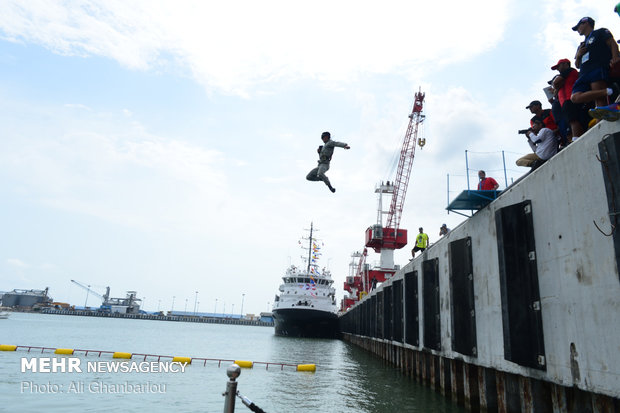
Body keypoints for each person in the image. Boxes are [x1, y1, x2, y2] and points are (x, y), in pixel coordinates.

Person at [570, 17, 620, 108]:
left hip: (597, 69)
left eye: (578, 26)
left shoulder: (600, 32)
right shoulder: (581, 45)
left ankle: (604, 117)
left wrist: (615, 57)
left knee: (600, 102)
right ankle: (610, 90)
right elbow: (577, 65)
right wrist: (578, 56)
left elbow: (612, 43)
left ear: (586, 23)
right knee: (574, 97)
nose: (577, 30)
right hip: (583, 74)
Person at [551, 58, 588, 139]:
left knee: (573, 120)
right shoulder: (567, 74)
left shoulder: (568, 71)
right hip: (568, 99)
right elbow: (556, 86)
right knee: (573, 120)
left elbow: (556, 83)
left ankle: (576, 138)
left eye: (558, 66)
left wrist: (556, 87)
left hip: (568, 99)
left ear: (565, 64)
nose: (557, 69)